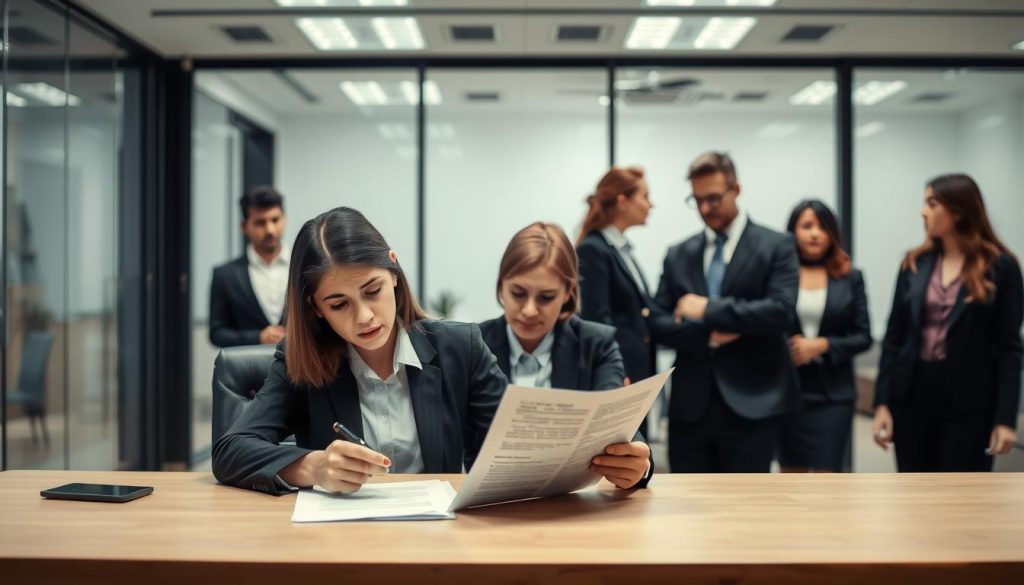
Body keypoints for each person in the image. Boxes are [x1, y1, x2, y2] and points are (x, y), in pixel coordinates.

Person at [212, 207, 508, 494]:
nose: (364, 316)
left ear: (393, 271)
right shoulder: (300, 362)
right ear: (316, 308)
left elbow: (515, 450)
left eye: (372, 291)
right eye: (339, 304)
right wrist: (313, 467)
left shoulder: (461, 347)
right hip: (343, 536)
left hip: (437, 535)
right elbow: (230, 451)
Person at [653, 151, 799, 473]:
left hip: (754, 402)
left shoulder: (777, 246)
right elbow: (658, 323)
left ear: (736, 189)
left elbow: (780, 311)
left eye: (714, 199)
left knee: (747, 512)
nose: (705, 209)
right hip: (690, 408)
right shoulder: (679, 254)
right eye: (697, 200)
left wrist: (707, 309)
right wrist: (710, 335)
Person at [480, 222, 653, 489]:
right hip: (483, 510)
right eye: (518, 293)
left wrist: (640, 463)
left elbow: (617, 421)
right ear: (501, 286)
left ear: (568, 293)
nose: (528, 310)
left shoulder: (596, 344)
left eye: (546, 297)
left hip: (572, 508)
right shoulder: (473, 345)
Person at [872, 174, 1022, 472]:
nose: (922, 211)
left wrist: (1005, 418)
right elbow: (894, 337)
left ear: (958, 210)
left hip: (970, 404)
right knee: (915, 495)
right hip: (912, 398)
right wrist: (882, 403)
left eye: (932, 203)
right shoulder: (914, 264)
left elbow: (1009, 348)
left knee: (961, 499)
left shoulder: (1001, 268)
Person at [778, 200, 872, 473]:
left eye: (823, 226)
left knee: (827, 477)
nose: (815, 233)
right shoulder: (780, 275)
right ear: (793, 232)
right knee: (790, 474)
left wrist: (822, 345)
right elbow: (767, 325)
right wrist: (789, 348)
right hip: (788, 393)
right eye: (807, 226)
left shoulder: (851, 277)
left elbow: (863, 336)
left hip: (834, 395)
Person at [576, 167, 657, 394]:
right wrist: (614, 372)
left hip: (638, 371)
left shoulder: (620, 249)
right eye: (645, 196)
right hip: (620, 375)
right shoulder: (593, 249)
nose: (650, 205)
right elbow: (597, 320)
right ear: (623, 201)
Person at [209, 186, 289, 347]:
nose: (270, 230)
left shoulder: (305, 268)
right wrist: (258, 337)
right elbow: (217, 334)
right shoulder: (224, 275)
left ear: (284, 219)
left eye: (275, 220)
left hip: (299, 369)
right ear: (244, 226)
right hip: (248, 370)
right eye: (260, 222)